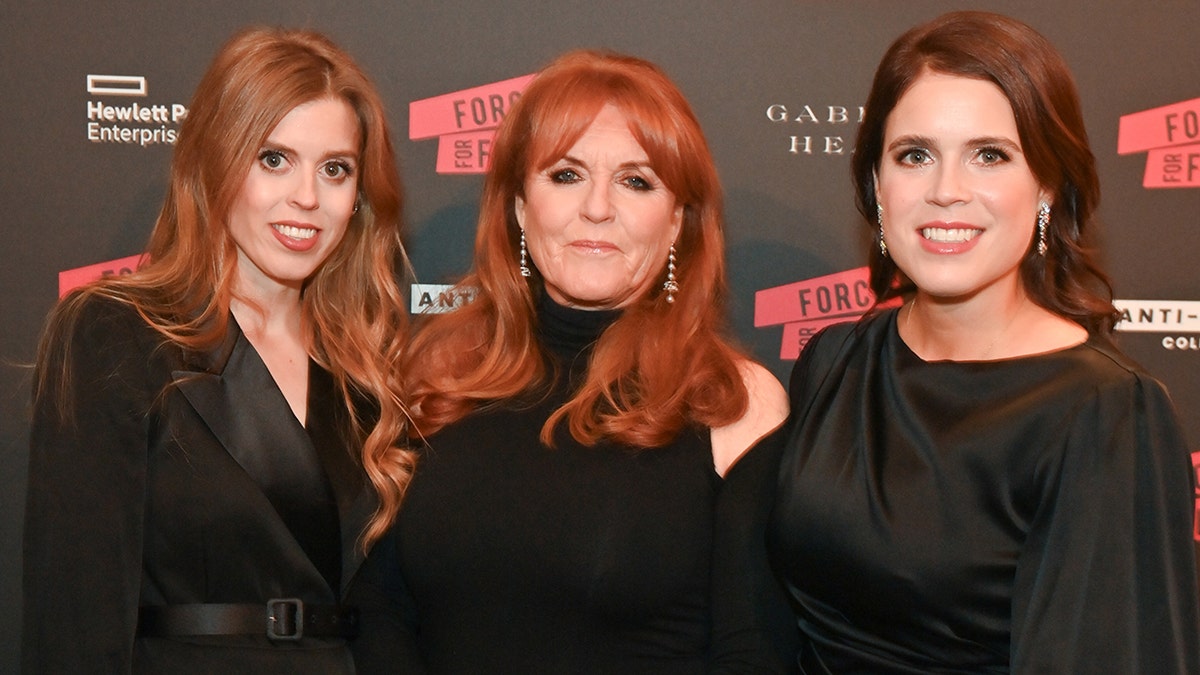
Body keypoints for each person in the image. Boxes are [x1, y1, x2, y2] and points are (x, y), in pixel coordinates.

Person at [717, 10, 1200, 674]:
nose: (947, 192)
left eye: (990, 155)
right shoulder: (835, 362)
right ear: (876, 184)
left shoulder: (1105, 413)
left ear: (1048, 189)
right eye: (914, 155)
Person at [349, 50, 788, 674]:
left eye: (636, 181)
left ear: (678, 224)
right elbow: (380, 603)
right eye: (566, 175)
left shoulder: (731, 401)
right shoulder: (439, 372)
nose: (598, 208)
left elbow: (751, 649)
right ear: (521, 209)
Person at [23, 27, 414, 673]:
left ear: (360, 199)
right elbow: (74, 608)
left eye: (336, 169)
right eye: (273, 159)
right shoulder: (116, 334)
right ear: (215, 162)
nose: (308, 198)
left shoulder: (368, 374)